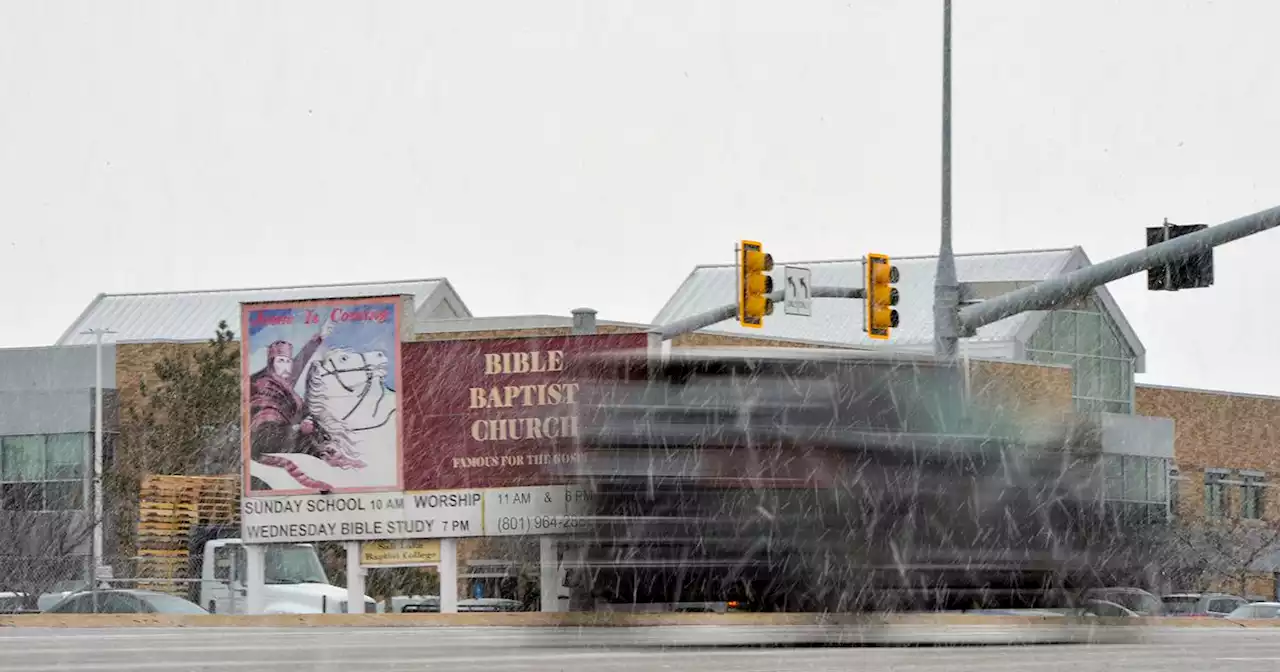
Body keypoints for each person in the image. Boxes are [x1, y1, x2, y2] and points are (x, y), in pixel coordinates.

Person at [248, 320, 333, 464]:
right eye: (280, 361)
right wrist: (298, 429)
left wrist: (319, 338)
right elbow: (266, 433)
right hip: (269, 441)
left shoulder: (284, 381)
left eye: (288, 361)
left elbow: (301, 359)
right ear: (271, 363)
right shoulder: (264, 386)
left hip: (290, 436)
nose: (286, 366)